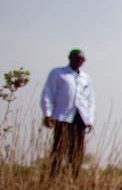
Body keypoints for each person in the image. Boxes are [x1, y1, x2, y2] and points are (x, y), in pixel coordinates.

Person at [40, 49, 95, 179]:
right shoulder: (58, 73)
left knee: (76, 151)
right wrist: (47, 113)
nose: (79, 61)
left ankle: (73, 179)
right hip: (62, 116)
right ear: (70, 58)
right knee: (59, 149)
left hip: (80, 117)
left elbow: (90, 100)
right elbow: (48, 93)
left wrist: (90, 120)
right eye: (76, 58)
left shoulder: (86, 78)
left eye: (82, 59)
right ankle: (53, 179)